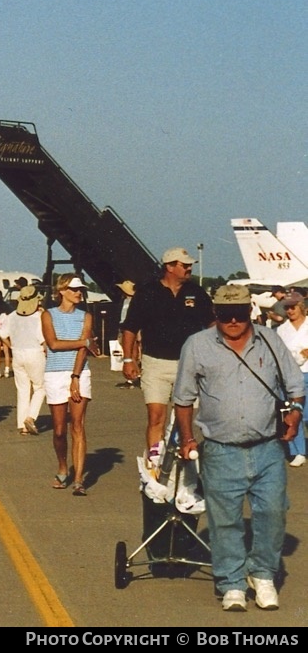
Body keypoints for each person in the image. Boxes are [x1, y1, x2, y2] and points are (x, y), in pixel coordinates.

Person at [175, 285, 304, 612]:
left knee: (272, 513)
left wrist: (294, 413)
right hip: (220, 449)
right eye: (224, 313)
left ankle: (262, 574)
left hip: (268, 448)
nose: (232, 319)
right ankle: (231, 581)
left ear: (250, 311)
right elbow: (183, 398)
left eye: (239, 313)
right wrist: (188, 438)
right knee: (225, 520)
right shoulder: (198, 345)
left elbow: (294, 385)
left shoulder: (270, 340)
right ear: (215, 313)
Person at [120, 247, 215, 462]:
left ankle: (186, 460)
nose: (189, 268)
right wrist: (128, 359)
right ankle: (154, 462)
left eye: (190, 265)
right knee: (156, 417)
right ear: (169, 267)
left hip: (189, 366)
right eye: (184, 265)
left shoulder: (196, 292)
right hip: (155, 364)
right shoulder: (147, 292)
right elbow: (130, 328)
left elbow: (212, 323)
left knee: (186, 420)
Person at [43, 275, 93, 495]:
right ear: (62, 291)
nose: (78, 293)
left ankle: (79, 479)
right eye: (73, 289)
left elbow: (83, 351)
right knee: (60, 430)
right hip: (54, 373)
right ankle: (63, 467)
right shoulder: (48, 315)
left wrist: (75, 377)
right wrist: (83, 342)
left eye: (80, 289)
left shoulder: (86, 316)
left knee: (78, 426)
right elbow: (53, 344)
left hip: (79, 373)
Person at [6, 283, 47, 436]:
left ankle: (22, 424)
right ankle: (30, 417)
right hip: (35, 353)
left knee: (22, 389)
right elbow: (43, 340)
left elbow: (2, 334)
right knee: (40, 387)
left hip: (17, 353)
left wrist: (11, 346)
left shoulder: (11, 316)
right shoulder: (39, 317)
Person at [275, 295, 308, 467]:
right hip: (290, 376)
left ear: (301, 306)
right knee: (294, 413)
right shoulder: (282, 329)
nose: (290, 311)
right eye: (287, 307)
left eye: (293, 307)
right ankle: (298, 451)